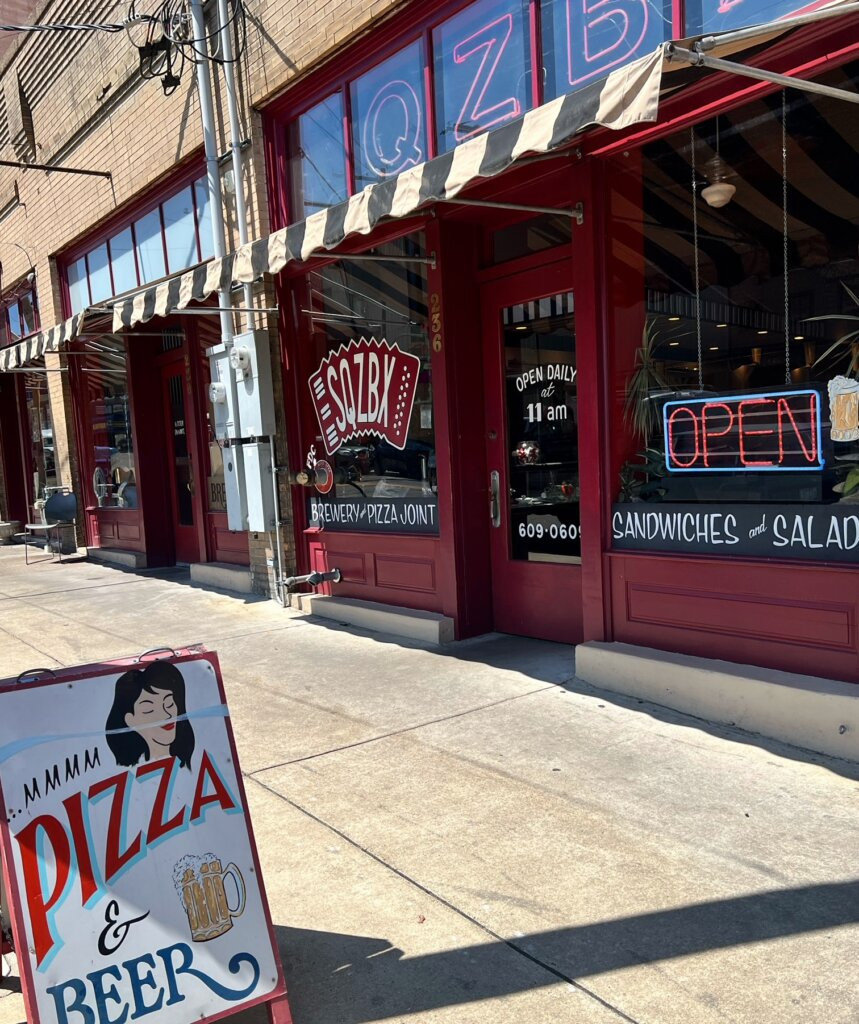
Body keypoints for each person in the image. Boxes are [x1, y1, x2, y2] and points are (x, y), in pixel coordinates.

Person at [105, 660, 195, 769]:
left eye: (169, 703)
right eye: (149, 709)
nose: (166, 715)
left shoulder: (191, 763)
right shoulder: (130, 771)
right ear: (130, 719)